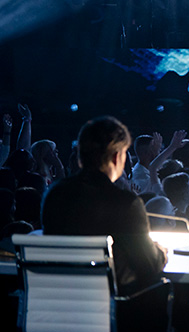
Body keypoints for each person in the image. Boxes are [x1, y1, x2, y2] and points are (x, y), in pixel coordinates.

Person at [41, 116, 167, 296]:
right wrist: (160, 252)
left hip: (59, 298)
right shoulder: (126, 203)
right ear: (117, 157)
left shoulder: (54, 194)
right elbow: (148, 265)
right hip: (109, 304)